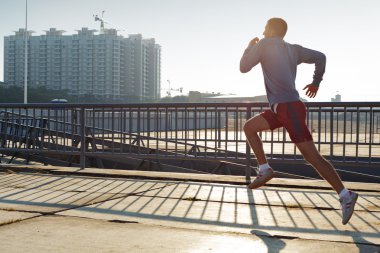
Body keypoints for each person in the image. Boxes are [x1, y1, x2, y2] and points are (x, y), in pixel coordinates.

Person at [239, 17, 358, 225]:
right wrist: (316, 82)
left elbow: (244, 67)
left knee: (312, 156)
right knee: (249, 127)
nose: (263, 31)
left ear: (272, 30)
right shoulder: (293, 49)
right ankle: (265, 169)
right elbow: (321, 57)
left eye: (265, 28)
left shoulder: (264, 44)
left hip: (289, 109)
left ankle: (345, 196)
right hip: (283, 108)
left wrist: (249, 47)